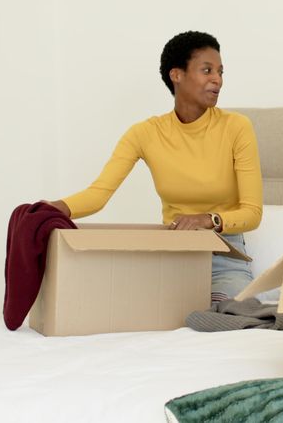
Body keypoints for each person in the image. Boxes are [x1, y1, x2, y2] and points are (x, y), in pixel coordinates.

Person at [47, 31, 261, 302]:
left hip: (225, 256)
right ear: (177, 75)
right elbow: (98, 195)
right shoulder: (145, 133)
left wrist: (207, 219)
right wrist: (47, 209)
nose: (217, 79)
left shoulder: (236, 127)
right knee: (131, 307)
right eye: (207, 70)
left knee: (234, 310)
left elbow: (252, 213)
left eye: (220, 71)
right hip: (173, 254)